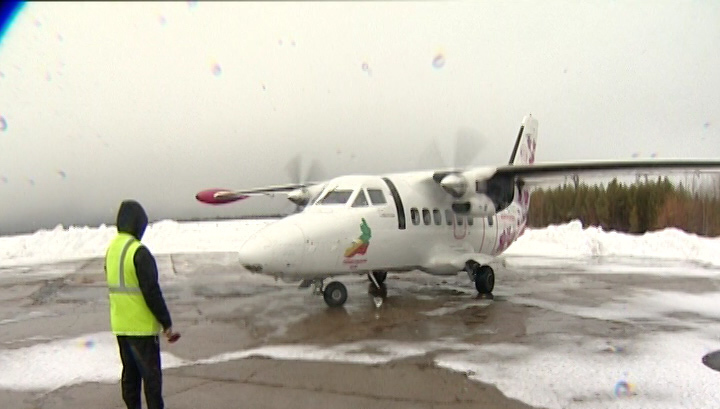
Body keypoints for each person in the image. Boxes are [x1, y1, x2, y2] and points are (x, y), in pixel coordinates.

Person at [105, 200, 177, 409]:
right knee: (152, 380)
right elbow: (151, 291)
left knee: (130, 376)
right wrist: (167, 323)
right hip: (142, 329)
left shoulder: (111, 251)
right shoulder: (138, 252)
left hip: (121, 326)